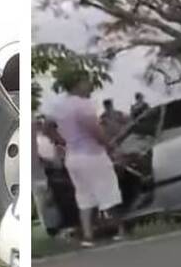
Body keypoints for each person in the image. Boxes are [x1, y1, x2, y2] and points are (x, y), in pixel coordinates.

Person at [43, 72, 126, 247]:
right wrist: (111, 146)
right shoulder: (84, 105)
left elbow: (47, 128)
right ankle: (119, 230)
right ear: (77, 84)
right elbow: (94, 130)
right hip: (92, 155)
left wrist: (62, 141)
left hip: (73, 157)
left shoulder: (58, 105)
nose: (89, 86)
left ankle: (88, 236)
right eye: (86, 82)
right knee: (107, 192)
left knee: (84, 197)